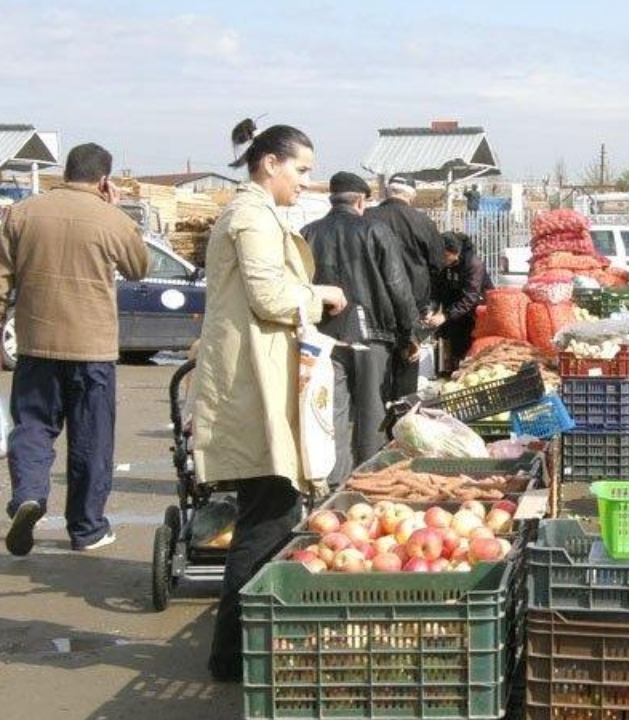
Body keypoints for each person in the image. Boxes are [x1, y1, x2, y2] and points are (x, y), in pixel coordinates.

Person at [193, 119, 347, 682]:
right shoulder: (251, 215)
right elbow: (268, 295)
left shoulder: (257, 213)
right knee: (268, 517)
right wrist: (321, 294)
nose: (305, 182)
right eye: (301, 170)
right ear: (269, 164)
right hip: (251, 389)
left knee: (270, 512)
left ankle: (237, 652)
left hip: (261, 380)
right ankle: (233, 655)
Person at [0, 143, 148, 556]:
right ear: (103, 180)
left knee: (33, 427)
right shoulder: (111, 218)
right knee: (91, 440)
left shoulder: (23, 213)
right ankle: (87, 529)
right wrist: (117, 211)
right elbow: (139, 267)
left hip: (36, 344)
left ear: (65, 171)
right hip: (93, 350)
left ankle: (29, 496)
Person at [302, 171, 421, 487]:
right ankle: (368, 484)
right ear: (360, 200)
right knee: (372, 415)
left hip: (324, 338)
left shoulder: (308, 234)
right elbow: (397, 285)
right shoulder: (375, 230)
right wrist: (410, 334)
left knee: (330, 415)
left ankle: (335, 487)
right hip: (373, 337)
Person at [364, 176, 445, 397]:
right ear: (411, 195)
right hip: (411, 306)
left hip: (371, 305)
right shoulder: (421, 221)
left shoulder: (366, 217)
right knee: (407, 365)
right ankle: (402, 418)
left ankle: (374, 415)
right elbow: (438, 263)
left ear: (388, 191)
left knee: (372, 371)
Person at [433, 231, 493, 373]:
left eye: (445, 255)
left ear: (454, 252)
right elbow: (439, 289)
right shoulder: (446, 265)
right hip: (456, 311)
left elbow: (470, 297)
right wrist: (434, 309)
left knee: (468, 346)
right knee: (449, 337)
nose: (441, 258)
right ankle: (451, 369)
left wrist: (446, 315)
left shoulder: (473, 264)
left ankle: (467, 370)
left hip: (475, 311)